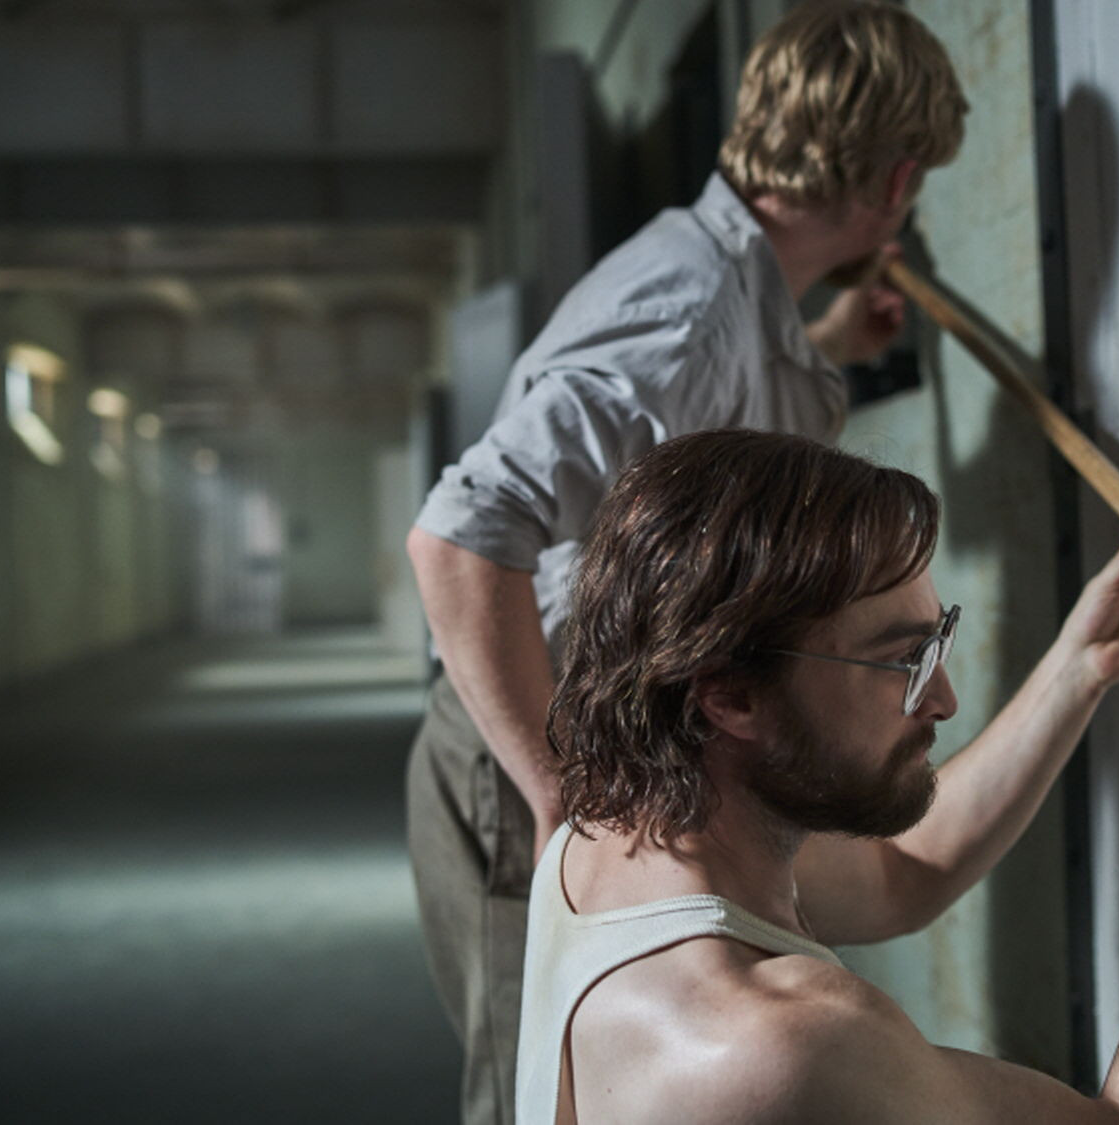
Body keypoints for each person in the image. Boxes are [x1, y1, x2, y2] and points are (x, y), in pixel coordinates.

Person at [404, 4, 969, 1121]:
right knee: (538, 1084)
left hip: (605, 736)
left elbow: (684, 442)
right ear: (899, 180)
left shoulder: (732, 299)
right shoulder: (689, 309)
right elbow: (457, 536)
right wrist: (557, 795)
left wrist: (826, 345)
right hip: (524, 730)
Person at [518, 429, 1119, 1124]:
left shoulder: (606, 841)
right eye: (903, 660)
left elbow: (903, 873)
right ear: (731, 695)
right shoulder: (780, 1044)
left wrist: (1081, 667)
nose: (944, 698)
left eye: (937, 641)